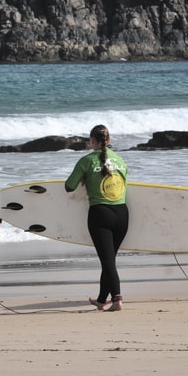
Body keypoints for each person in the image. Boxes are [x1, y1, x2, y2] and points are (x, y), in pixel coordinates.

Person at [64, 124, 128, 312]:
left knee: (107, 261)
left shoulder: (87, 161)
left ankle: (117, 299)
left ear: (92, 141)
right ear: (109, 141)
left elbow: (69, 186)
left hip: (100, 214)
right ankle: (102, 300)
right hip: (122, 214)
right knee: (109, 260)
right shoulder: (120, 159)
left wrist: (86, 178)